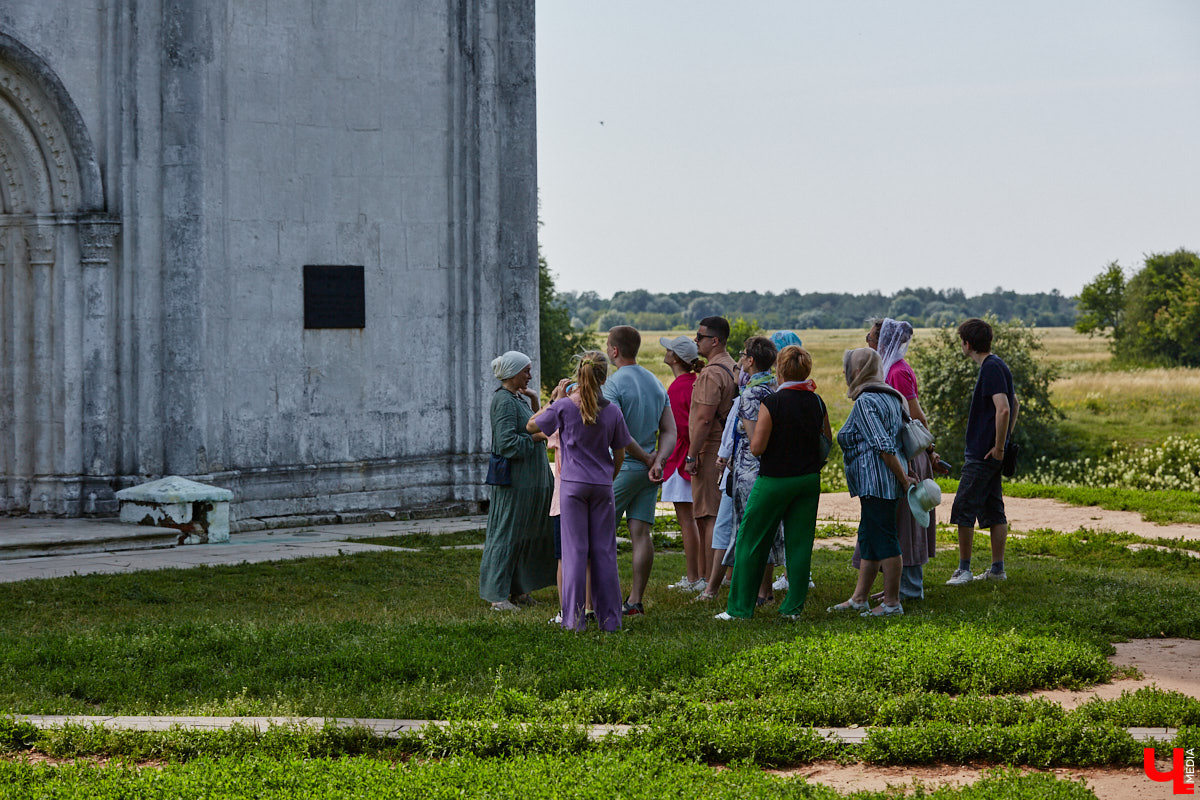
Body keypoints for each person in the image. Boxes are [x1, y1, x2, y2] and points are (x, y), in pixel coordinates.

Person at [714, 346, 829, 621]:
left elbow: (757, 447)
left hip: (775, 479)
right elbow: (826, 440)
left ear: (780, 369)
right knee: (800, 544)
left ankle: (739, 608)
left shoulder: (773, 403)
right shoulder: (817, 401)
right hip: (808, 480)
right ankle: (793, 608)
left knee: (750, 540)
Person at [527, 351, 632, 631]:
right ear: (604, 377)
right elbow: (620, 453)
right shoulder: (612, 411)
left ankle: (573, 621)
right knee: (604, 552)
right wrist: (609, 476)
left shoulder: (564, 407)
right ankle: (610, 620)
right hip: (601, 485)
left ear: (579, 375)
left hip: (572, 487)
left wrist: (555, 399)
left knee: (574, 553)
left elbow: (531, 426)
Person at [853, 318, 944, 601]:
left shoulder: (896, 372)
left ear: (881, 342)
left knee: (907, 522)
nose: (867, 341)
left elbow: (915, 416)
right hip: (899, 452)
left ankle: (909, 589)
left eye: (869, 338)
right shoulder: (891, 368)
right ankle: (897, 586)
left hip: (905, 454)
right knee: (897, 521)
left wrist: (929, 451)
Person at [828, 347, 915, 617]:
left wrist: (904, 479)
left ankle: (891, 603)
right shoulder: (892, 396)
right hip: (881, 482)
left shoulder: (867, 400)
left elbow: (883, 445)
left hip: (878, 481)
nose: (845, 374)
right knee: (869, 536)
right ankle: (859, 598)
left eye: (847, 369)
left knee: (885, 538)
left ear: (857, 372)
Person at [697, 336, 781, 604]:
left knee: (744, 531)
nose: (741, 359)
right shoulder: (773, 389)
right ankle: (764, 591)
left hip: (747, 469)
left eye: (744, 354)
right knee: (766, 529)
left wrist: (729, 458)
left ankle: (744, 592)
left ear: (751, 360)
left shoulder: (750, 395)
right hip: (769, 469)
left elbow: (752, 438)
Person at [602, 327, 677, 616]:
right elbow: (670, 430)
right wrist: (659, 460)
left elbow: (617, 432)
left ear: (614, 350)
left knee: (601, 533)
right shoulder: (655, 382)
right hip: (649, 472)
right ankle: (635, 600)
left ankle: (603, 597)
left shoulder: (613, 384)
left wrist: (646, 458)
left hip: (622, 467)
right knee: (641, 534)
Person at [480, 351, 557, 611]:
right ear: (513, 373)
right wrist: (536, 439)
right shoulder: (503, 401)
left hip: (530, 481)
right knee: (507, 535)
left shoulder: (518, 399)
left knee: (525, 536)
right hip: (515, 482)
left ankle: (519, 590)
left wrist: (535, 401)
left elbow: (536, 424)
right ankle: (497, 596)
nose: (530, 375)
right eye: (526, 371)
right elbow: (506, 444)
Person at [946, 318, 1019, 585]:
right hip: (991, 453)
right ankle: (997, 570)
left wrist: (999, 446)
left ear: (967, 344)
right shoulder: (998, 364)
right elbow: (1014, 403)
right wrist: (1005, 439)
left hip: (982, 454)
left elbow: (1004, 408)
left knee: (964, 508)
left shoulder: (989, 368)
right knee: (993, 509)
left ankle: (963, 570)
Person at [683, 316, 738, 584]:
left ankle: (708, 578)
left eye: (700, 336)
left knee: (709, 516)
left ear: (714, 341)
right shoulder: (734, 367)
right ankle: (724, 574)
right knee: (724, 513)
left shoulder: (711, 373)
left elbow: (704, 419)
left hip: (711, 449)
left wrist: (692, 455)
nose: (696, 340)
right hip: (729, 450)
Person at [660, 336, 706, 593]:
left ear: (675, 358)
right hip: (692, 457)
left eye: (669, 350)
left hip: (681, 460)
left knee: (687, 521)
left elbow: (680, 428)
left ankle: (693, 578)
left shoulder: (678, 388)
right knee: (698, 520)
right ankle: (700, 574)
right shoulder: (694, 383)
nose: (666, 353)